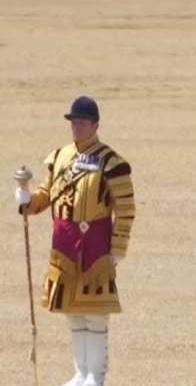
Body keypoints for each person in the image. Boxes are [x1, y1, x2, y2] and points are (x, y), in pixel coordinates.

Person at [14, 96, 135, 385]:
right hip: (64, 245)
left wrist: (118, 246)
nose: (77, 128)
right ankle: (81, 372)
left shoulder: (111, 162)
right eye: (74, 122)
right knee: (72, 312)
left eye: (82, 122)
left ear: (95, 125)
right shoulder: (59, 157)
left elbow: (126, 208)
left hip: (95, 245)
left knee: (95, 315)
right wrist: (27, 200)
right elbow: (45, 196)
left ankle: (96, 374)